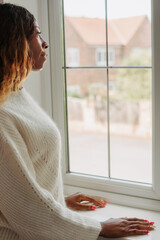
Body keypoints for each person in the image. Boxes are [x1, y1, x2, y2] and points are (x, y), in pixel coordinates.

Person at [0, 3, 154, 240]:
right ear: (14, 42)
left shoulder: (15, 93)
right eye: (37, 34)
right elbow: (25, 211)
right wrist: (98, 228)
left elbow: (19, 191)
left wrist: (59, 201)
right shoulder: (2, 113)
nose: (45, 43)